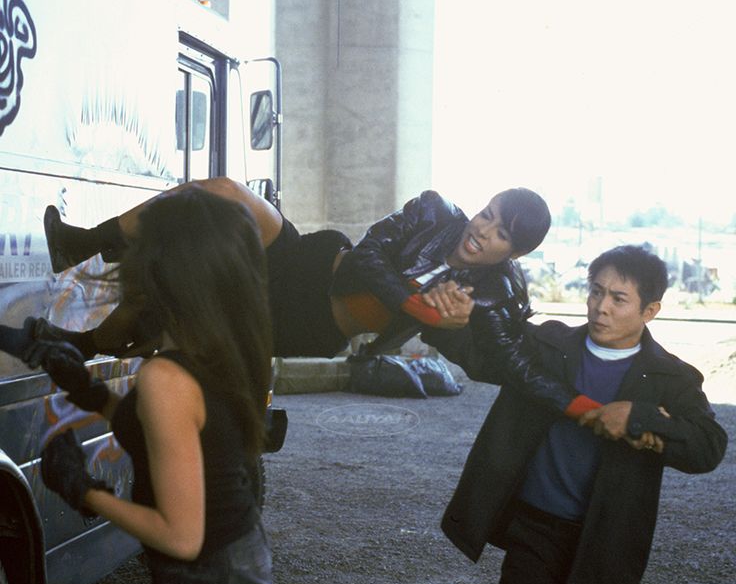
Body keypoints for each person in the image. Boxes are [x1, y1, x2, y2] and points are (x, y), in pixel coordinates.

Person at [434, 245, 727, 584]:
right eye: (595, 291)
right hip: (535, 533)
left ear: (649, 310)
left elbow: (709, 448)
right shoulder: (548, 346)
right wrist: (447, 319)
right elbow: (483, 357)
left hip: (606, 544)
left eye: (618, 298)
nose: (600, 307)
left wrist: (639, 416)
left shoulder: (669, 379)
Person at [27, 178, 600, 418]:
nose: (482, 230)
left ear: (514, 253)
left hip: (310, 322)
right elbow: (373, 254)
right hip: (307, 261)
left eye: (500, 233)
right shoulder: (433, 211)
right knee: (225, 193)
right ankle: (84, 243)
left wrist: (584, 407)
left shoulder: (493, 298)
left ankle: (82, 345)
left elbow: (510, 364)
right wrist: (415, 305)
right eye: (488, 214)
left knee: (176, 296)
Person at [36, 186, 274, 584]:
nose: (126, 259)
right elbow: (183, 433)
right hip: (224, 566)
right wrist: (94, 395)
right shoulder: (221, 341)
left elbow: (181, 534)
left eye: (137, 247)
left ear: (167, 267)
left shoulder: (166, 376)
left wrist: (84, 491)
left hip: (211, 582)